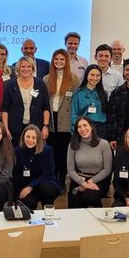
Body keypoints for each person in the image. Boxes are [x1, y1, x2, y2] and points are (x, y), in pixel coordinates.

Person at [43, 49, 79, 186]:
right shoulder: (47, 78)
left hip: (66, 118)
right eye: (56, 59)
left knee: (63, 153)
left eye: (62, 59)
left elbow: (75, 101)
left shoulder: (73, 78)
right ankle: (52, 179)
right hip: (51, 118)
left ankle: (62, 179)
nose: (59, 62)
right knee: (51, 151)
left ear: (66, 61)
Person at [1, 56, 50, 147]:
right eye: (23, 66)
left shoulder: (40, 84)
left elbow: (46, 107)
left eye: (28, 66)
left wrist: (45, 126)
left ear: (32, 69)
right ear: (18, 68)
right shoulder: (10, 85)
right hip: (15, 129)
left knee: (35, 156)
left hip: (36, 128)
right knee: (16, 156)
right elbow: (5, 109)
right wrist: (6, 129)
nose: (26, 69)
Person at [66, 116, 112, 208]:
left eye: (85, 125)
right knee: (73, 201)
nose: (82, 129)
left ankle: (99, 213)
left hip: (99, 180)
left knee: (89, 197)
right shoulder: (73, 145)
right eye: (79, 127)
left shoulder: (104, 144)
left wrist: (89, 182)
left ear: (91, 126)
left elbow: (107, 169)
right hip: (79, 179)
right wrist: (83, 184)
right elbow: (70, 170)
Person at [13, 125, 61, 209]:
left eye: (33, 138)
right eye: (28, 136)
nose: (30, 140)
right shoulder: (17, 152)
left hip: (43, 183)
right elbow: (16, 175)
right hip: (25, 185)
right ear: (23, 137)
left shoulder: (47, 151)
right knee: (28, 202)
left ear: (38, 139)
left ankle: (48, 212)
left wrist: (31, 186)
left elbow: (48, 173)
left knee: (47, 189)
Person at [107, 58, 129, 151]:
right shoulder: (117, 92)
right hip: (121, 136)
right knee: (122, 164)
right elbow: (112, 116)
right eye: (127, 70)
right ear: (123, 72)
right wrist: (112, 138)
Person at [71, 64, 109, 139]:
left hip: (101, 130)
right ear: (86, 75)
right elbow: (74, 115)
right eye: (92, 75)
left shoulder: (103, 93)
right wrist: (75, 133)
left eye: (98, 75)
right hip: (85, 129)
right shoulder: (78, 93)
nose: (95, 78)